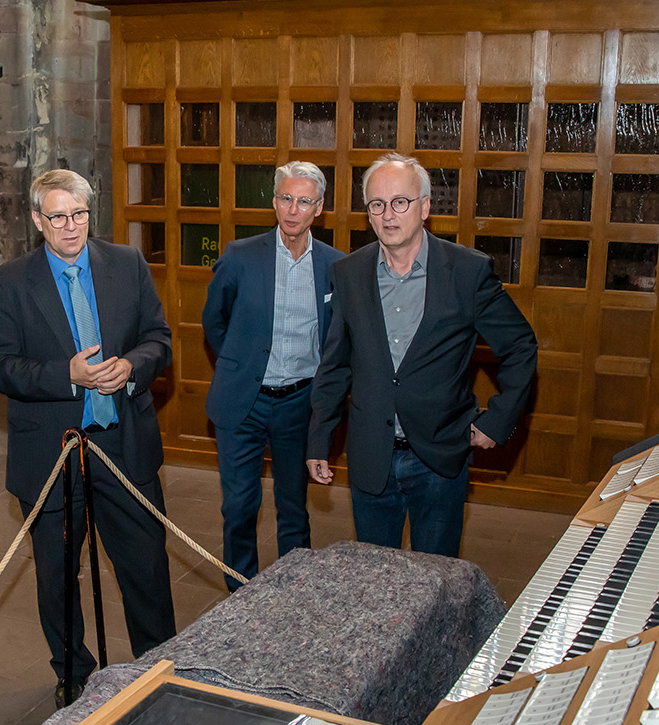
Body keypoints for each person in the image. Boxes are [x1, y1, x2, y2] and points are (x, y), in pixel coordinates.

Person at [0, 169, 176, 706]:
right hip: (52, 449)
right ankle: (74, 675)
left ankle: (159, 669)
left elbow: (159, 338)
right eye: (58, 217)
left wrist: (131, 367)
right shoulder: (7, 283)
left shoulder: (127, 264)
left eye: (80, 215)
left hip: (123, 445)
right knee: (57, 576)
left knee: (146, 567)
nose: (71, 227)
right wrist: (65, 375)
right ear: (37, 220)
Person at [307, 152, 537, 558]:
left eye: (400, 202)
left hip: (439, 458)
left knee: (436, 579)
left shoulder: (467, 271)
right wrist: (319, 438)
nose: (388, 215)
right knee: (374, 578)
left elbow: (520, 346)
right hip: (370, 455)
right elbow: (335, 363)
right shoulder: (348, 273)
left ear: (425, 207)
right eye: (377, 205)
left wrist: (497, 421)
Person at [202, 161, 345, 590]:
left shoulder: (336, 266)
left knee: (293, 508)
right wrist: (241, 364)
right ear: (274, 202)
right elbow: (214, 322)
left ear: (319, 207)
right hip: (243, 401)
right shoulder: (240, 256)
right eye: (286, 198)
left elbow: (338, 337)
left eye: (304, 201)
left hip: (299, 404)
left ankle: (292, 594)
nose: (293, 209)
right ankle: (240, 592)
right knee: (239, 506)